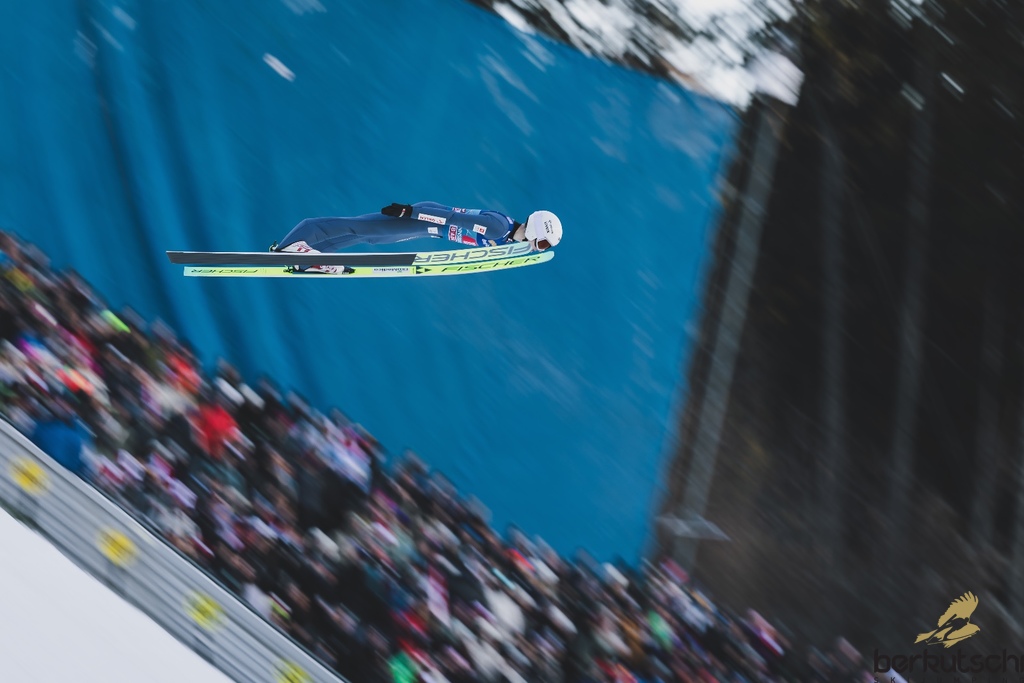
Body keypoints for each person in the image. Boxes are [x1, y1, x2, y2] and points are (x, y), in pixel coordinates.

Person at [271, 202, 563, 273]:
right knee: (358, 227)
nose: (538, 249)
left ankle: (309, 257)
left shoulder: (508, 238)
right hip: (421, 220)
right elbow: (452, 218)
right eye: (542, 243)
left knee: (367, 238)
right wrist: (410, 211)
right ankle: (289, 247)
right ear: (535, 231)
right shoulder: (499, 228)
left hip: (422, 229)